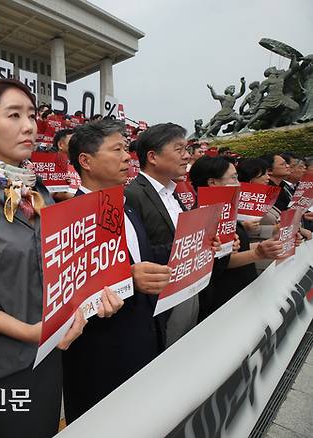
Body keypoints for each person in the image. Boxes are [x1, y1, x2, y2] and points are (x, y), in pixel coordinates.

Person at [0, 79, 120, 438]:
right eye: (13, 115)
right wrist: (32, 333)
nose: (29, 126)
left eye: (32, 115)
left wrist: (91, 296)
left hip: (49, 358)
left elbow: (58, 270)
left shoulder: (38, 192)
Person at [62, 120, 171, 423]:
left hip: (145, 341)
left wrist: (197, 243)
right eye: (117, 150)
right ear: (85, 161)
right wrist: (127, 278)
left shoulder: (128, 207)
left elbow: (143, 257)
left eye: (127, 149)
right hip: (99, 360)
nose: (127, 157)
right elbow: (68, 295)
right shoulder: (67, 221)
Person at [125, 123, 219, 346]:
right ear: (153, 156)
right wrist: (184, 248)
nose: (186, 156)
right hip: (161, 301)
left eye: (186, 150)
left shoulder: (173, 193)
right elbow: (139, 251)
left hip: (186, 289)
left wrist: (204, 243)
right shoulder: (132, 195)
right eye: (179, 150)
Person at [188, 156, 284, 321]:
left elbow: (240, 248)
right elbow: (220, 262)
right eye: (233, 178)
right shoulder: (200, 216)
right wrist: (257, 254)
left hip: (243, 289)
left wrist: (267, 245)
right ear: (212, 182)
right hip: (224, 300)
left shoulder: (227, 210)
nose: (239, 184)